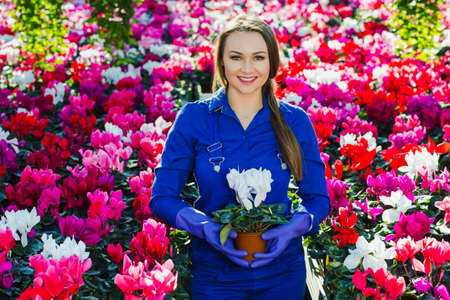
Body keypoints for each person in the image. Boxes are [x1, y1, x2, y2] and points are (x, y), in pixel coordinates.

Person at [150, 14, 330, 299]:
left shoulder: (295, 121)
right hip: (214, 276)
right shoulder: (195, 118)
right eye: (236, 57)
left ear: (272, 63)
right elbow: (162, 197)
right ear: (222, 61)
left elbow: (317, 199)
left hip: (282, 275)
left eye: (258, 57)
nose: (247, 68)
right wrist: (206, 228)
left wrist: (295, 227)